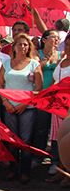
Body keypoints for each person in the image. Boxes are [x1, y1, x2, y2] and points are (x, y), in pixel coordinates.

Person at [0, 33, 43, 184]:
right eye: (20, 44)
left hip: (27, 109)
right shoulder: (6, 64)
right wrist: (5, 102)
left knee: (25, 140)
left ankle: (25, 171)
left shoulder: (34, 64)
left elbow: (38, 88)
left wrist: (25, 103)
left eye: (25, 44)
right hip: (8, 107)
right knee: (11, 140)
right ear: (14, 46)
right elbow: (0, 85)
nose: (22, 47)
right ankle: (12, 169)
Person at [32, 30, 61, 159]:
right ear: (44, 40)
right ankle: (38, 155)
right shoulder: (37, 53)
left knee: (56, 130)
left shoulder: (62, 55)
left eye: (58, 38)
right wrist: (46, 60)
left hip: (56, 98)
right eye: (53, 37)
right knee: (41, 127)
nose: (56, 40)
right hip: (41, 96)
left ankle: (55, 158)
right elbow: (35, 70)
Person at [48, 33, 70, 182]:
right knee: (58, 138)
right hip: (57, 106)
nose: (68, 47)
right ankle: (61, 170)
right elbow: (55, 82)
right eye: (67, 44)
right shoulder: (61, 61)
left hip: (68, 107)